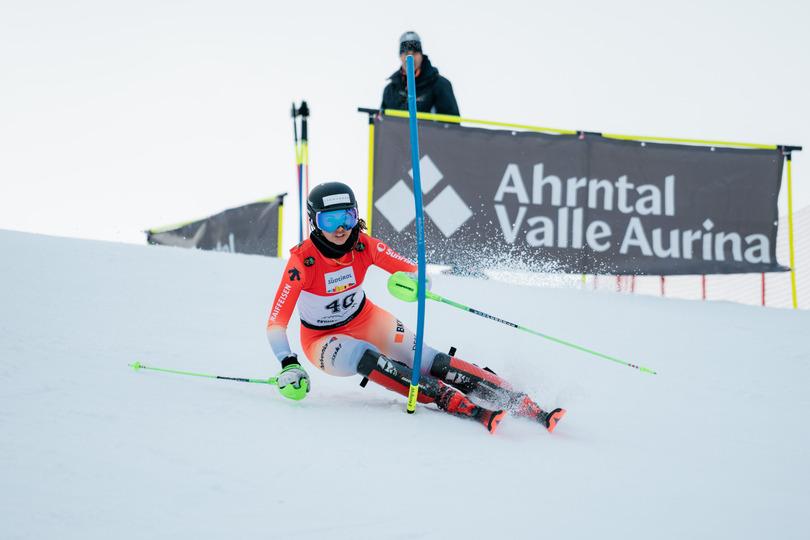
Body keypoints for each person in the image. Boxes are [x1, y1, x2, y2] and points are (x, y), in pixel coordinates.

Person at [266, 181, 565, 434]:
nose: (341, 228)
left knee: (430, 361)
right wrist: (287, 362)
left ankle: (515, 398)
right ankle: (447, 399)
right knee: (366, 358)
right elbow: (276, 323)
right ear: (313, 223)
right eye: (329, 221)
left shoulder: (364, 245)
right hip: (322, 340)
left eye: (347, 216)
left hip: (365, 318)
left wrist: (418, 284)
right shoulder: (301, 262)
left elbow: (412, 270)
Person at [380, 31, 460, 116]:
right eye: (406, 53)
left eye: (414, 53)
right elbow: (381, 122)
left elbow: (451, 126)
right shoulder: (390, 89)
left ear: (421, 55)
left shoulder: (440, 85)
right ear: (400, 56)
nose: (410, 58)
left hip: (427, 129)